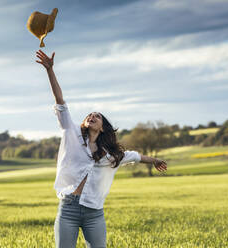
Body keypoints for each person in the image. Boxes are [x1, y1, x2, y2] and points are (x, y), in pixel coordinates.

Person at [36, 50, 167, 248]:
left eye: (97, 116)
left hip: (94, 213)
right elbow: (60, 101)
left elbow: (135, 156)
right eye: (89, 114)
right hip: (68, 209)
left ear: (103, 126)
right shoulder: (71, 133)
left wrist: (155, 161)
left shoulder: (112, 154)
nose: (92, 116)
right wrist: (50, 70)